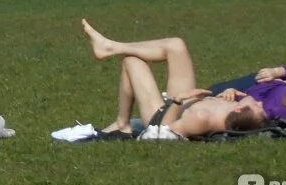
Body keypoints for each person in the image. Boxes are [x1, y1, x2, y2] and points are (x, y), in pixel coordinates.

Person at [81, 19, 267, 139]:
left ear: (241, 108)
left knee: (132, 62)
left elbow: (164, 131)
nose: (260, 103)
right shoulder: (235, 109)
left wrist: (178, 101)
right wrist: (229, 92)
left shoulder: (202, 119)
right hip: (186, 102)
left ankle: (122, 123)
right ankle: (111, 46)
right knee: (176, 45)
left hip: (162, 115)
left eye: (257, 106)